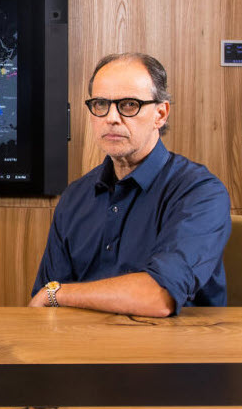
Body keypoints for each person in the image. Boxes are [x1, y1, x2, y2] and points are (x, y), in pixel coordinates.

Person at [29, 53, 230, 317]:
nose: (111, 117)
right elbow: (44, 306)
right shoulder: (75, 196)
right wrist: (53, 295)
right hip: (84, 348)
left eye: (129, 105)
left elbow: (157, 297)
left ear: (160, 114)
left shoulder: (201, 192)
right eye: (101, 104)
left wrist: (59, 294)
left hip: (173, 351)